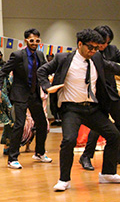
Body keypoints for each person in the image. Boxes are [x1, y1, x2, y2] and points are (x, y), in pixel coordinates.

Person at [38, 28, 120, 191]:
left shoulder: (96, 58)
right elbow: (42, 71)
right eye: (90, 47)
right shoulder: (63, 58)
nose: (94, 51)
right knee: (69, 140)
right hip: (71, 109)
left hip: (92, 108)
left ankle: (108, 173)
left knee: (114, 135)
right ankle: (64, 179)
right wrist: (48, 87)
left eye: (97, 48)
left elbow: (113, 67)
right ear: (80, 44)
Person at [0, 28, 51, 169]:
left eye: (37, 40)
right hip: (20, 94)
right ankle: (12, 158)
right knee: (19, 125)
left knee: (42, 123)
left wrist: (49, 83)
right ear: (26, 40)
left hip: (34, 94)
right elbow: (3, 72)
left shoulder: (39, 55)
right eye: (31, 40)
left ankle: (39, 153)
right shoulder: (17, 55)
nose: (34, 43)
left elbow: (44, 72)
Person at [79, 25, 120, 171]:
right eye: (103, 42)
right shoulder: (89, 51)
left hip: (112, 94)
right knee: (99, 128)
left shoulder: (112, 50)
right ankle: (86, 156)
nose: (104, 45)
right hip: (97, 95)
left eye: (107, 42)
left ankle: (116, 156)